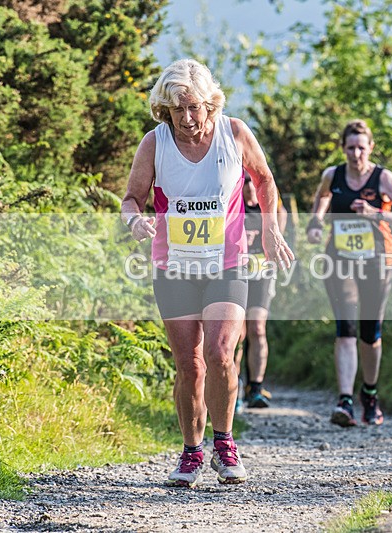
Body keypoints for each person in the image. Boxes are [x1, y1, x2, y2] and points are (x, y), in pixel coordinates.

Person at [120, 58, 293, 488]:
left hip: (227, 262)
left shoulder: (234, 133)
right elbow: (131, 199)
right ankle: (192, 452)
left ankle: (225, 443)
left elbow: (266, 181)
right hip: (174, 266)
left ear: (210, 104)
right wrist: (135, 221)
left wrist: (270, 231)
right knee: (190, 364)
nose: (187, 118)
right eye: (177, 110)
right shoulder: (154, 143)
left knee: (219, 353)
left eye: (194, 107)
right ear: (166, 109)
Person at [307, 120, 392, 427]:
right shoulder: (333, 176)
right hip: (339, 258)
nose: (356, 153)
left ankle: (369, 394)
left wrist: (375, 213)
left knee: (370, 333)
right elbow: (322, 200)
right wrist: (316, 222)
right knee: (345, 328)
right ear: (342, 148)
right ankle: (345, 400)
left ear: (370, 148)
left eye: (361, 147)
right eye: (350, 147)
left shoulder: (384, 178)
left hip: (377, 260)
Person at [234, 171, 288, 409]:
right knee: (236, 334)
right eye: (246, 182)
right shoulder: (233, 204)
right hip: (234, 272)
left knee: (257, 328)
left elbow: (280, 226)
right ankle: (232, 388)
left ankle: (255, 387)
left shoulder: (272, 207)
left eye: (254, 182)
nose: (250, 187)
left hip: (262, 272)